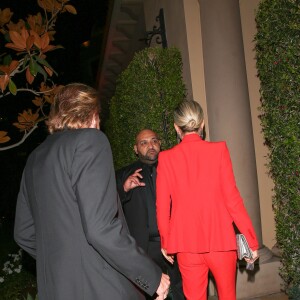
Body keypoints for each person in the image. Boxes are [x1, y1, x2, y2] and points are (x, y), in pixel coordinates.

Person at [14, 83, 170, 300]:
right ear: (92, 115)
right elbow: (101, 228)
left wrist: (65, 260)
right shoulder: (90, 141)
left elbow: (23, 233)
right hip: (100, 288)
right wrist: (151, 276)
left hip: (56, 289)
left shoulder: (35, 158)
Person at [156, 100, 259, 300]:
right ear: (202, 124)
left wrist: (166, 241)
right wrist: (251, 240)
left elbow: (162, 206)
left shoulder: (166, 158)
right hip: (221, 240)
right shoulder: (219, 150)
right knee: (228, 296)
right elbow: (233, 200)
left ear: (177, 128)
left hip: (186, 245)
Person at [116, 129, 185, 300]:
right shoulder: (123, 174)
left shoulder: (174, 169)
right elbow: (106, 203)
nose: (150, 146)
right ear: (136, 148)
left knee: (180, 292)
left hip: (174, 245)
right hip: (143, 249)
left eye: (154, 140)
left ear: (159, 143)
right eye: (144, 143)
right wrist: (124, 188)